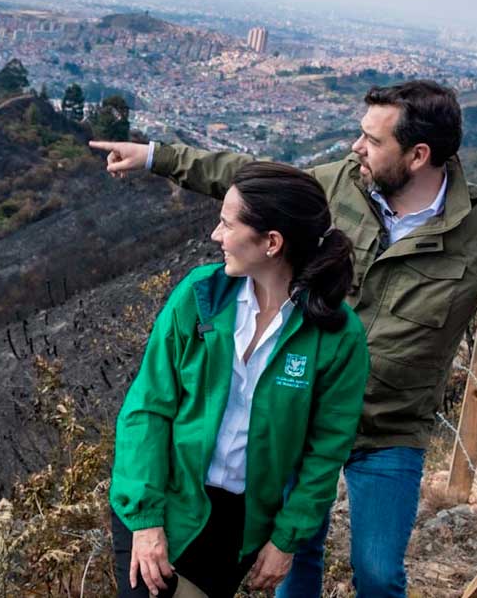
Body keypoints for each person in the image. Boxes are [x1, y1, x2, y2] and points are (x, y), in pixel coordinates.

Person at [95, 80, 477, 597]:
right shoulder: (337, 187)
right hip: (292, 411)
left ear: (418, 155)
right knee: (295, 554)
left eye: (373, 140)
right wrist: (159, 156)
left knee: (379, 572)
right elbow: (255, 190)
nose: (356, 148)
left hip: (387, 428)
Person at [110, 161, 370, 597]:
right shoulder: (199, 296)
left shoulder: (338, 336)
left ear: (272, 242)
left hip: (238, 523)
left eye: (227, 224)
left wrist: (286, 539)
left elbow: (326, 451)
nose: (216, 235)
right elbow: (147, 407)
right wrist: (146, 519)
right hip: (162, 493)